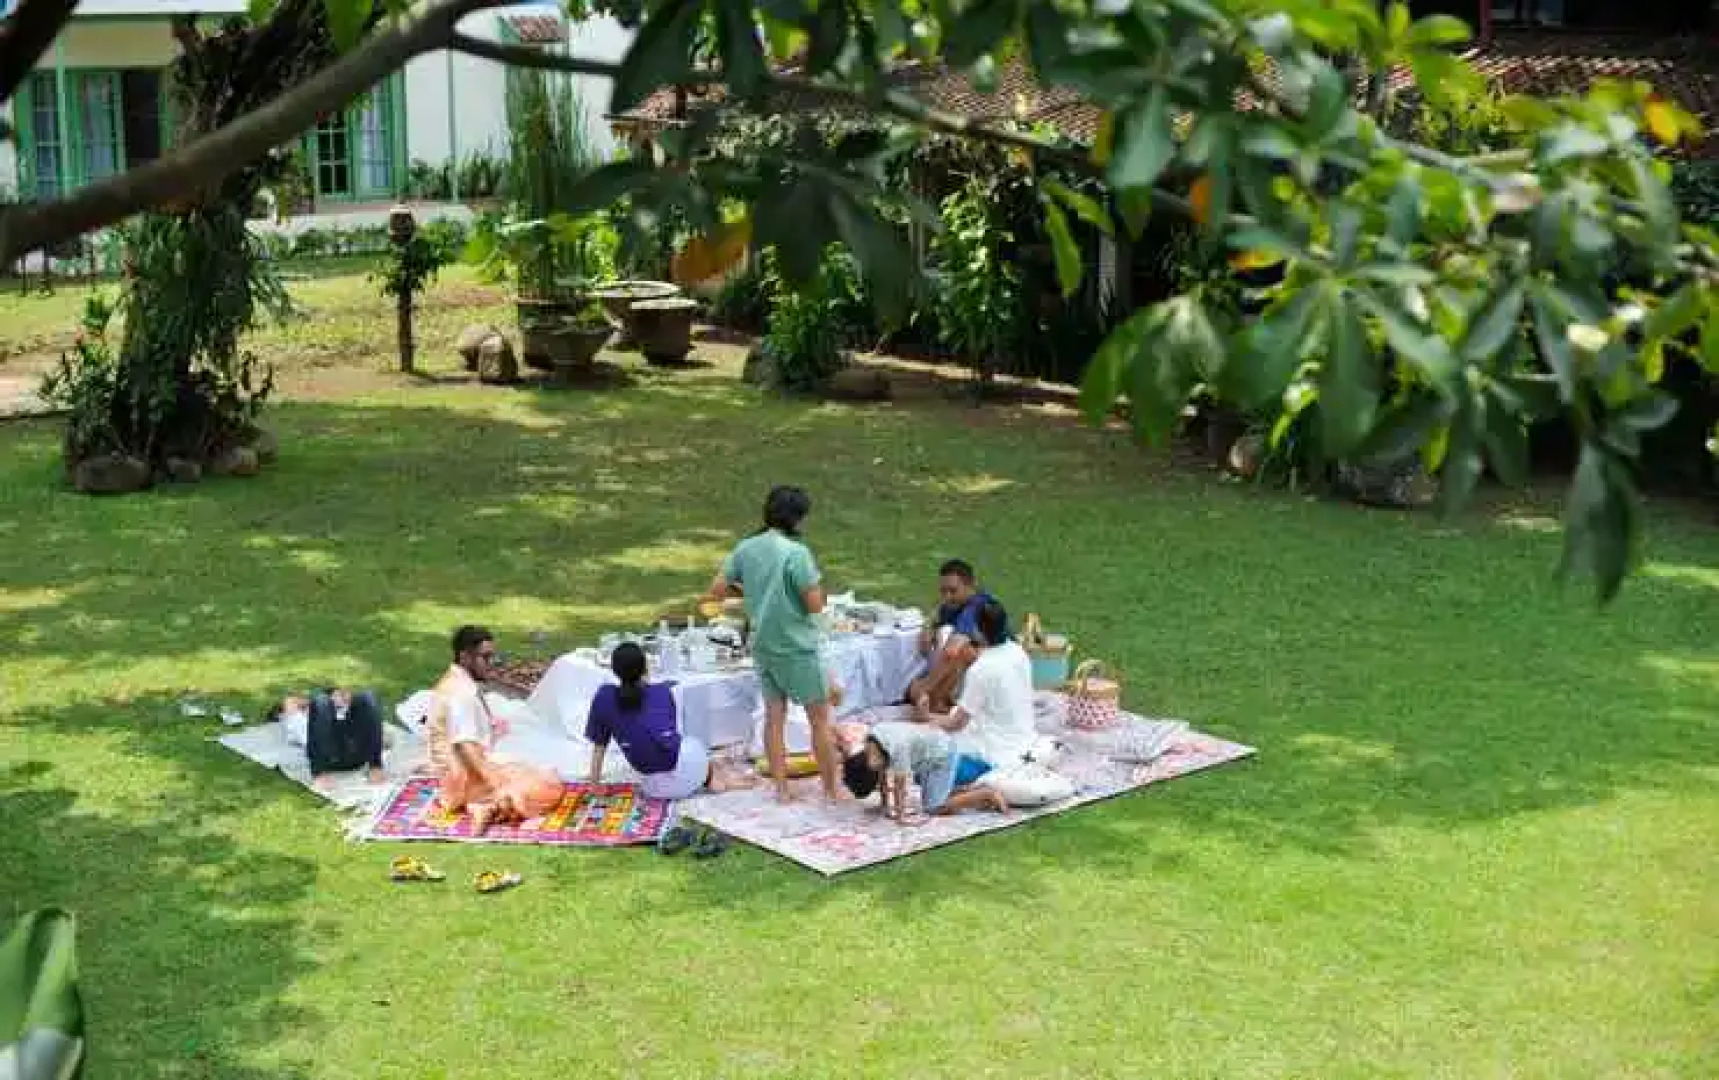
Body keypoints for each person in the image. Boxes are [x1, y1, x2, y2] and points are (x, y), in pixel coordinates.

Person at [708, 485, 842, 803]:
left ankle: (782, 789)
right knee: (819, 719)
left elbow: (717, 589)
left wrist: (751, 592)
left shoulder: (746, 548)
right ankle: (831, 789)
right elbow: (814, 604)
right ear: (797, 519)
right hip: (796, 645)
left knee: (774, 718)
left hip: (763, 644)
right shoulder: (797, 554)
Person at [427, 625, 564, 834]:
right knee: (549, 786)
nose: (490, 665)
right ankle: (491, 805)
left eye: (491, 658)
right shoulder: (461, 693)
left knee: (534, 772)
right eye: (485, 658)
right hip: (463, 778)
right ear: (464, 657)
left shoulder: (456, 680)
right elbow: (464, 746)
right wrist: (493, 784)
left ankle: (496, 804)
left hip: (458, 773)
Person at [584, 642, 755, 799]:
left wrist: (594, 784)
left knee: (674, 753)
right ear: (645, 668)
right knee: (693, 744)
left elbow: (599, 746)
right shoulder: (662, 693)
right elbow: (670, 740)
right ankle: (712, 778)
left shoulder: (603, 697)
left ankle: (711, 776)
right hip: (688, 774)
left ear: (614, 670)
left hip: (653, 788)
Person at [920, 598, 1038, 770]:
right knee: (954, 714)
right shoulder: (1018, 651)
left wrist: (926, 717)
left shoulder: (982, 669)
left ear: (978, 631)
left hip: (996, 748)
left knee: (928, 747)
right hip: (1024, 734)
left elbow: (956, 724)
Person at [840, 721, 1008, 824]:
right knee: (933, 793)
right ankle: (968, 792)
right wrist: (884, 804)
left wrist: (901, 816)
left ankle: (986, 794)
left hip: (942, 754)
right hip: (929, 748)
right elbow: (882, 776)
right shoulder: (872, 739)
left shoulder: (898, 750)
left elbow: (900, 787)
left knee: (933, 807)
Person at [908, 559, 1004, 716]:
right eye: (943, 591)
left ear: (970, 586)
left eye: (953, 591)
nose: (947, 597)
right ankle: (937, 700)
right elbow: (937, 614)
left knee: (959, 651)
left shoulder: (976, 606)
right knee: (948, 641)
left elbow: (951, 651)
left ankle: (936, 701)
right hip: (983, 664)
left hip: (998, 664)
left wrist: (924, 687)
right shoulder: (956, 603)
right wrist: (928, 628)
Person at [269, 688, 385, 788]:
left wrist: (338, 699)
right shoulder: (294, 720)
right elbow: (290, 702)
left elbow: (353, 701)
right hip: (330, 758)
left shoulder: (337, 709)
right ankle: (319, 774)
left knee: (367, 696)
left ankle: (375, 766)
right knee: (321, 700)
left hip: (359, 754)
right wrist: (311, 703)